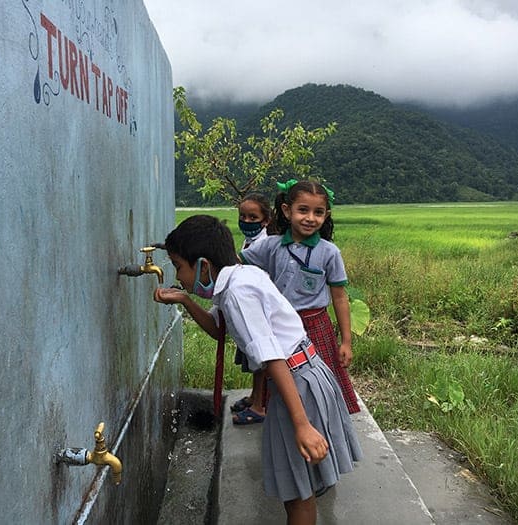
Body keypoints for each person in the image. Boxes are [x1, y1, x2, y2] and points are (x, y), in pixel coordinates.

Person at [153, 215, 362, 525]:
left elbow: (273, 357)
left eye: (178, 266)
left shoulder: (238, 293)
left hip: (295, 380)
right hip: (303, 374)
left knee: (298, 494)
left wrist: (301, 424)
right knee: (299, 485)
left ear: (203, 266)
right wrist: (185, 300)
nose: (178, 276)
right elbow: (218, 328)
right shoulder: (240, 277)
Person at [240, 179, 361, 414]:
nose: (310, 218)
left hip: (315, 326)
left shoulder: (329, 252)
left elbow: (339, 297)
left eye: (318, 212)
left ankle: (324, 419)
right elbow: (238, 263)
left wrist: (346, 341)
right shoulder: (271, 246)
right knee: (279, 375)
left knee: (320, 377)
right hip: (278, 324)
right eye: (303, 210)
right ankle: (281, 418)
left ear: (326, 215)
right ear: (287, 211)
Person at [231, 193, 275, 424]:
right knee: (254, 358)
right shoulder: (249, 241)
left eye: (253, 217)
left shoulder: (264, 244)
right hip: (250, 305)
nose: (247, 221)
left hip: (259, 308)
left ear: (265, 220)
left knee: (260, 360)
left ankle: (259, 405)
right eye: (243, 216)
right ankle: (254, 396)